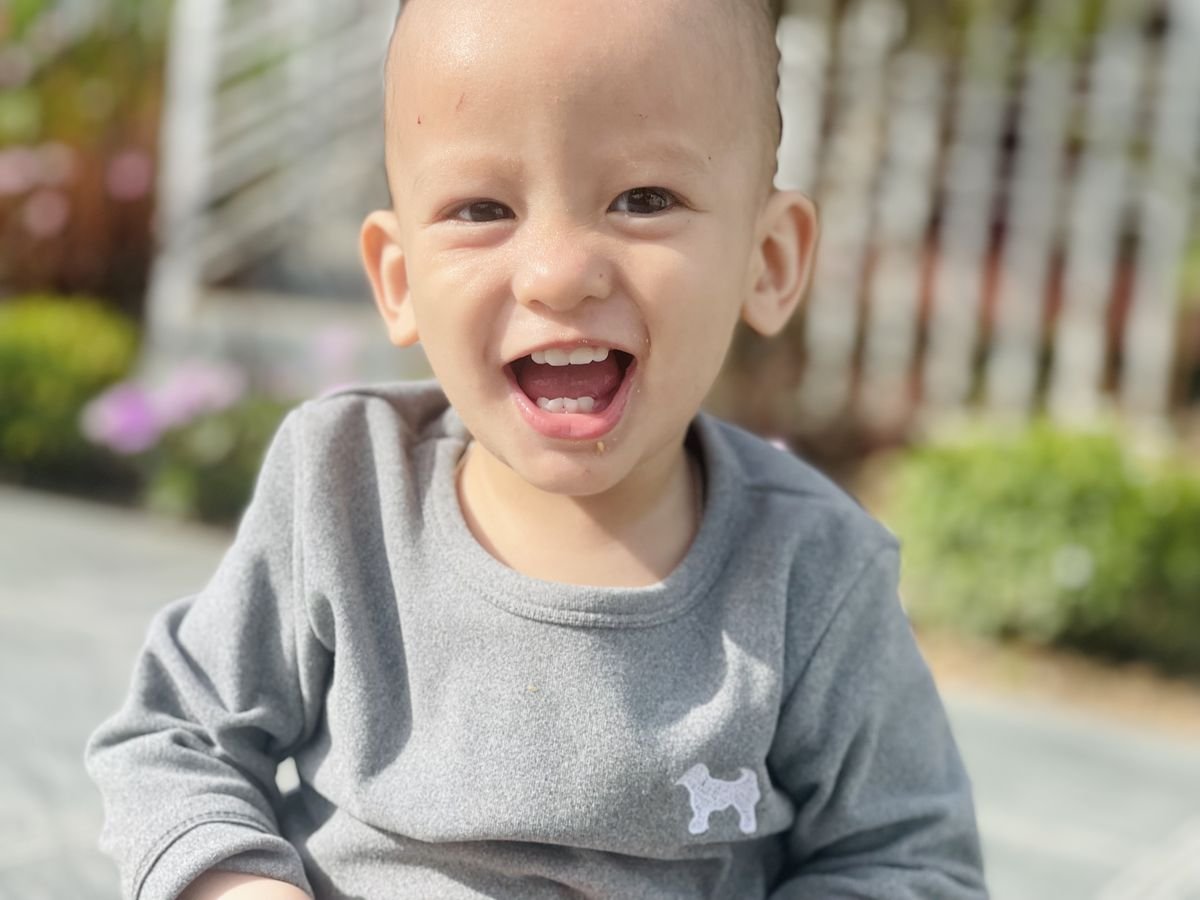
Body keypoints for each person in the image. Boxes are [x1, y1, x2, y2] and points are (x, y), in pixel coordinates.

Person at [86, 0, 989, 897]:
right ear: (399, 281)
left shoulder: (812, 572)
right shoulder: (345, 490)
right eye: (482, 208)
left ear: (769, 259)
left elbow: (907, 860)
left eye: (644, 200)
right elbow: (175, 738)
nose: (558, 274)